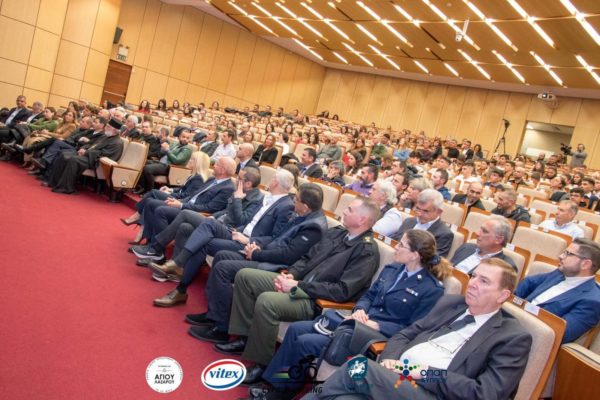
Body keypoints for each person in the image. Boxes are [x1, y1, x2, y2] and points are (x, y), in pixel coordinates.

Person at [249, 230, 450, 399]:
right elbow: (368, 296)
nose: (396, 247)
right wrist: (360, 310)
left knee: (305, 342)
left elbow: (414, 330)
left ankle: (277, 392)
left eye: (402, 245)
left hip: (376, 338)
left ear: (415, 255)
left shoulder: (431, 289)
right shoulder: (393, 269)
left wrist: (378, 325)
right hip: (356, 323)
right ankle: (279, 385)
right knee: (296, 329)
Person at [205, 197, 380, 382]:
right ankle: (245, 337)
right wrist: (290, 275)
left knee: (267, 301)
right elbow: (307, 258)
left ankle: (261, 363)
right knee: (245, 276)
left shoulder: (366, 251)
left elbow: (341, 291)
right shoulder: (337, 233)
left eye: (350, 209)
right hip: (298, 283)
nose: (344, 211)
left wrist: (298, 285)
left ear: (362, 219)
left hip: (315, 300)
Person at [304, 259, 531, 400]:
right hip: (399, 379)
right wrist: (392, 362)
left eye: (484, 281)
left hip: (436, 393)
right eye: (473, 276)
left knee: (359, 367)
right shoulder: (452, 304)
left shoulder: (512, 337)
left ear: (503, 295)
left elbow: (486, 393)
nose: (472, 284)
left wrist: (424, 372)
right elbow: (406, 333)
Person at [185, 183, 327, 342]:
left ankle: (221, 329)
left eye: (297, 199)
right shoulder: (302, 216)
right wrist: (256, 245)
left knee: (223, 268)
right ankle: (214, 314)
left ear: (305, 206)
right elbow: (276, 239)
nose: (293, 201)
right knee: (222, 256)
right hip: (267, 254)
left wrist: (257, 254)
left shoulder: (313, 227)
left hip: (278, 268)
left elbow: (288, 256)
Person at [149, 169, 295, 306]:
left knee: (204, 239)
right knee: (208, 224)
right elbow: (248, 222)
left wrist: (248, 240)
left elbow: (276, 238)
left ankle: (179, 278)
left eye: (273, 178)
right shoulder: (267, 198)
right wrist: (237, 230)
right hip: (238, 233)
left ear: (276, 182)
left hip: (249, 245)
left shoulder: (286, 206)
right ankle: (178, 275)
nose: (270, 180)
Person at [136, 157, 236, 246]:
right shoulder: (212, 179)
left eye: (217, 164)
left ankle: (156, 248)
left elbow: (209, 208)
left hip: (193, 212)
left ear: (223, 170)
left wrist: (181, 205)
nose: (213, 166)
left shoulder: (228, 188)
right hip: (185, 205)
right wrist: (178, 201)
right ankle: (148, 241)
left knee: (161, 210)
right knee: (151, 203)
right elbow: (193, 195)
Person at [515, 238, 600, 343]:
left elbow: (559, 333)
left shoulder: (593, 301)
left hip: (528, 338)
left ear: (586, 264)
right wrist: (514, 303)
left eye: (568, 254)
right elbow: (528, 282)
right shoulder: (559, 273)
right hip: (514, 319)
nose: (560, 256)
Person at [45, 117, 124, 195]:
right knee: (63, 154)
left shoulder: (117, 143)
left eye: (108, 127)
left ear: (115, 130)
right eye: (106, 126)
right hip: (88, 155)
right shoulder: (105, 137)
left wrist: (86, 152)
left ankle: (66, 188)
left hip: (96, 161)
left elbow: (104, 155)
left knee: (73, 160)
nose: (105, 128)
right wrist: (83, 149)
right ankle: (53, 182)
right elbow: (91, 144)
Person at [392, 189, 454, 257]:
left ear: (439, 212)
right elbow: (394, 244)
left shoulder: (444, 234)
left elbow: (434, 260)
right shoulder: (408, 221)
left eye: (425, 211)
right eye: (418, 208)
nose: (419, 214)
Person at [134, 130, 193, 194]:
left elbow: (176, 161)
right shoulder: (175, 144)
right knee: (143, 162)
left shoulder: (187, 149)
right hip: (162, 163)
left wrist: (167, 150)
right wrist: (163, 149)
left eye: (187, 138)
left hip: (171, 167)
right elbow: (162, 154)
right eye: (183, 137)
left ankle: (149, 191)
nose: (185, 139)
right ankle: (142, 187)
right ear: (179, 136)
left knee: (148, 168)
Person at [451, 216, 517, 273]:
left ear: (498, 239)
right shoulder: (466, 247)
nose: (477, 234)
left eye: (485, 231)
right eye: (480, 230)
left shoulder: (505, 266)